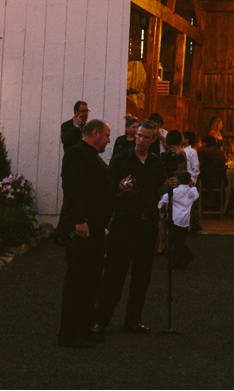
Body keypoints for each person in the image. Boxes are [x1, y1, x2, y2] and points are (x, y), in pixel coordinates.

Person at [96, 120, 177, 335]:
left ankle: (133, 319)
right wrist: (121, 189)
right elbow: (108, 189)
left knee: (142, 275)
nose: (140, 140)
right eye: (139, 135)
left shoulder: (155, 163)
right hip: (124, 221)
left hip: (147, 222)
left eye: (146, 137)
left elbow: (157, 188)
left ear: (153, 140)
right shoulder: (121, 159)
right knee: (114, 272)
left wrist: (168, 185)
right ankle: (101, 320)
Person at [57, 119, 113, 348]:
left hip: (97, 228)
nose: (109, 140)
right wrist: (80, 220)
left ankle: (84, 327)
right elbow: (71, 187)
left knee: (92, 281)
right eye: (107, 135)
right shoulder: (76, 154)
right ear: (96, 132)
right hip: (83, 229)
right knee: (78, 281)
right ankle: (69, 334)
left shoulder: (91, 155)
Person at [55, 101, 91, 241]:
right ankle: (61, 234)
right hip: (72, 169)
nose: (85, 114)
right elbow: (66, 140)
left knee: (81, 200)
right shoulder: (67, 126)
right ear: (76, 112)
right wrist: (75, 126)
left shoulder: (88, 127)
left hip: (85, 169)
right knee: (69, 201)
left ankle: (75, 231)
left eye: (87, 111)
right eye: (83, 111)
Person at [160, 171, 199, 268]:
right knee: (181, 238)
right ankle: (178, 261)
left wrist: (161, 207)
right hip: (185, 220)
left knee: (175, 240)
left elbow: (164, 199)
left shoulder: (175, 192)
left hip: (176, 218)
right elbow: (196, 195)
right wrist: (192, 186)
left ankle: (186, 255)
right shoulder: (191, 192)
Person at [198, 137, 229, 215]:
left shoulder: (203, 152)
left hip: (205, 180)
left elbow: (199, 166)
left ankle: (199, 207)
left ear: (206, 143)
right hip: (219, 180)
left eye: (203, 143)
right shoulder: (220, 152)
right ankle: (218, 207)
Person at [182, 131, 202, 230]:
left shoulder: (192, 152)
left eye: (183, 137)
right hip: (183, 180)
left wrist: (193, 179)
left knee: (188, 203)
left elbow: (195, 167)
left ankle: (195, 224)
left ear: (187, 140)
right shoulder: (182, 151)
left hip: (189, 181)